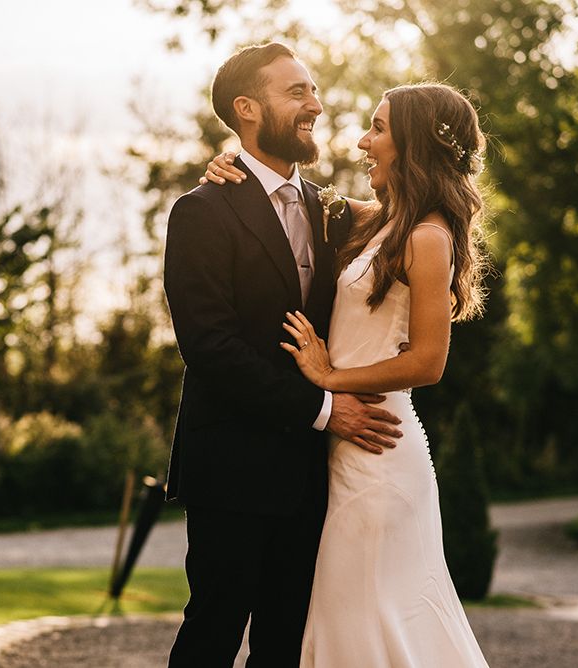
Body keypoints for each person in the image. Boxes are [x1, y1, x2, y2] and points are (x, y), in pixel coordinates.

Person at [204, 82, 491, 666]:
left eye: (379, 129)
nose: (363, 141)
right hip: (341, 450)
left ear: (413, 145)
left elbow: (429, 362)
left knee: (368, 615)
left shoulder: (429, 236)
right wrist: (231, 160)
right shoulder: (375, 223)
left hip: (381, 452)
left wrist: (327, 377)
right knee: (341, 613)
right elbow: (290, 198)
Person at [163, 43, 404, 667]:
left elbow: (417, 216)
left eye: (313, 90)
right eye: (296, 93)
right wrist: (325, 410)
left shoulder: (332, 212)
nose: (315, 105)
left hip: (308, 475)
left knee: (287, 643)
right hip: (231, 468)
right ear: (247, 108)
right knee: (212, 633)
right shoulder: (200, 213)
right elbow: (210, 349)